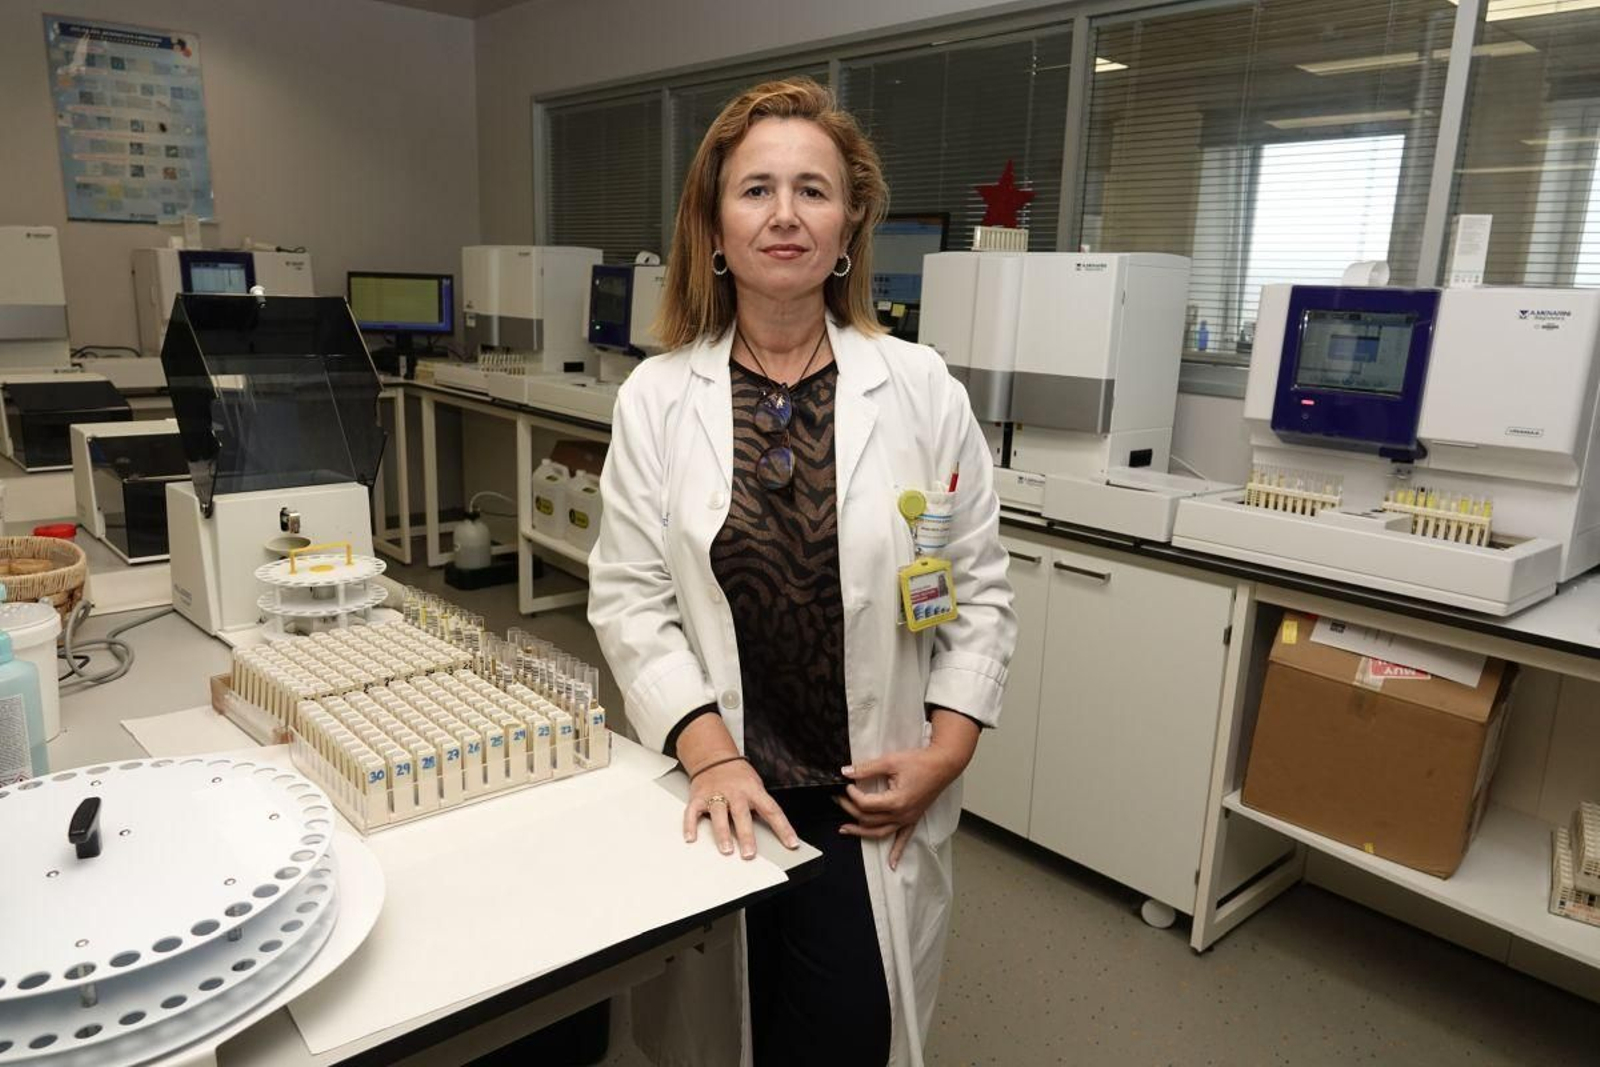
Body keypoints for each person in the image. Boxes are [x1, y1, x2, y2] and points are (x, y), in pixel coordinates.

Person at [587, 77, 1016, 1067]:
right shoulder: (657, 398)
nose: (784, 214)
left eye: (813, 190)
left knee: (841, 1036)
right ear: (713, 225)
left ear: (851, 221)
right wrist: (711, 753)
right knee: (725, 1030)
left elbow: (975, 591)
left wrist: (945, 752)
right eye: (755, 190)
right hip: (720, 784)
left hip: (870, 795)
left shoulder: (918, 389)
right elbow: (627, 598)